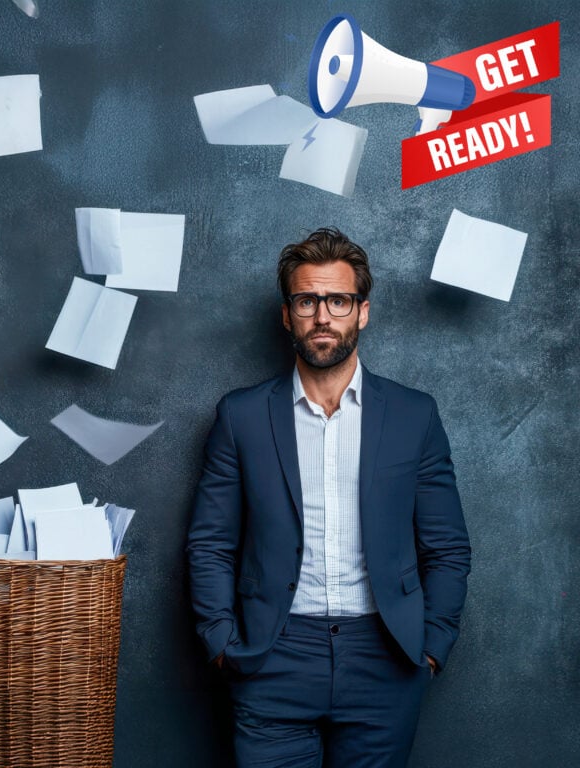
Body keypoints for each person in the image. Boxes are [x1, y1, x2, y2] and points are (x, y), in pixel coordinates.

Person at [187, 227, 471, 768]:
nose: (323, 316)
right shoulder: (241, 416)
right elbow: (210, 545)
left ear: (361, 312)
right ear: (287, 314)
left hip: (386, 657)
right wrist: (221, 641)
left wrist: (431, 645)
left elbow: (447, 547)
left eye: (338, 300)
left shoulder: (415, 415)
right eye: (307, 300)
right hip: (273, 655)